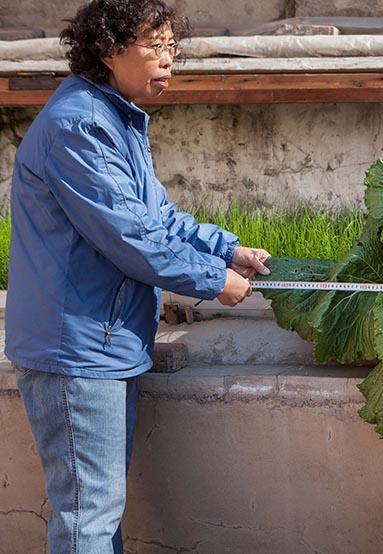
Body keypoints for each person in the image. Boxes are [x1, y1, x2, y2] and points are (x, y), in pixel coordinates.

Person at [5, 1, 271, 551]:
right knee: (88, 518)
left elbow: (156, 218)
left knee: (97, 510)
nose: (168, 60)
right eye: (154, 46)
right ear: (108, 49)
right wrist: (210, 280)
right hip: (77, 352)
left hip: (102, 344)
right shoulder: (79, 126)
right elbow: (131, 239)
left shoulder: (113, 118)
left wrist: (227, 250)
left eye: (172, 47)